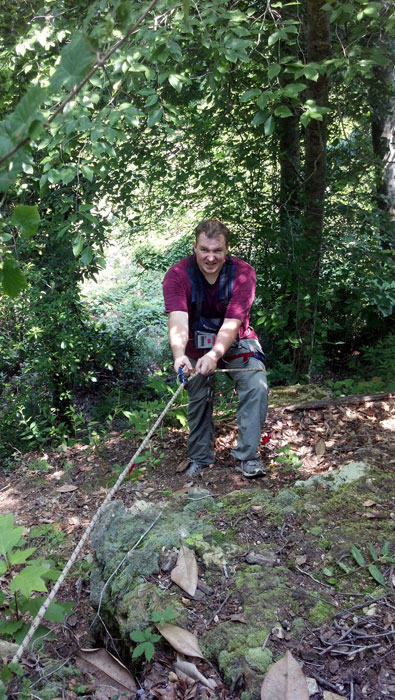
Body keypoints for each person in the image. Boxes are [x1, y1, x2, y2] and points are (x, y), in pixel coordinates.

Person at [162, 219, 268, 478]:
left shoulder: (243, 273)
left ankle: (248, 457)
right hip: (194, 343)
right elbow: (178, 319)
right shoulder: (177, 276)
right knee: (198, 394)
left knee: (256, 385)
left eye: (217, 251)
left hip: (237, 341)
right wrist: (180, 357)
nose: (210, 257)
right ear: (195, 247)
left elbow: (233, 322)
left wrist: (215, 354)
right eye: (204, 250)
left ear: (227, 249)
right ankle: (199, 457)